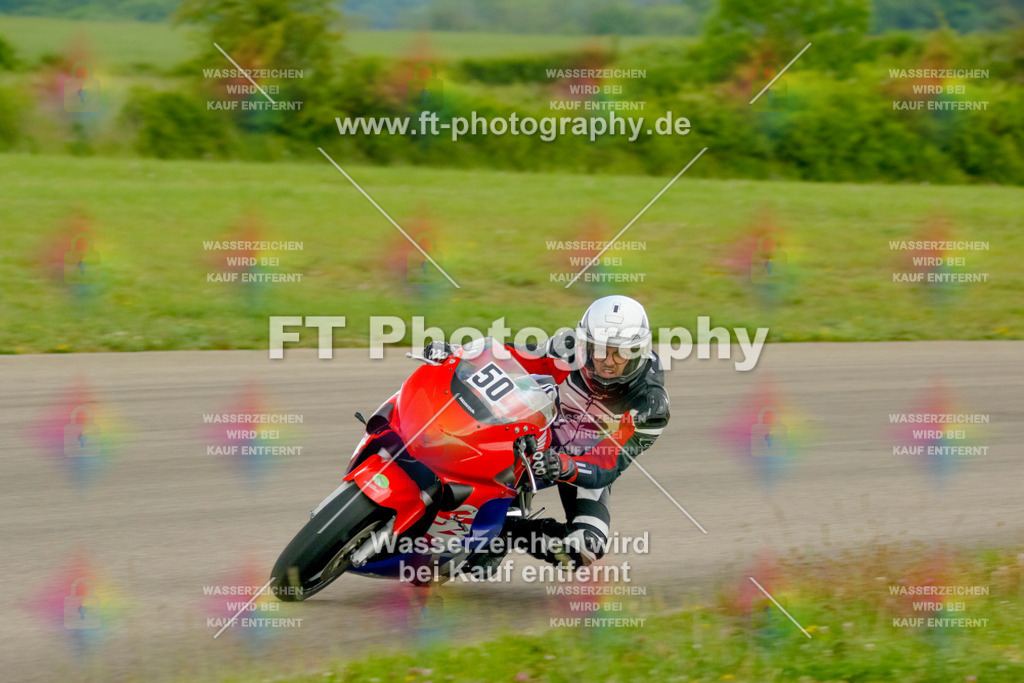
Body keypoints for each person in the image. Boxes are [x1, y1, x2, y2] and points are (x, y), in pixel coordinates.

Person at [424, 295, 670, 570]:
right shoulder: (566, 350)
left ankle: (508, 530)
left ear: (636, 353)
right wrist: (457, 353)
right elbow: (508, 357)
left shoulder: (649, 408)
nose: (607, 361)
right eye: (598, 349)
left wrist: (565, 465)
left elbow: (607, 465)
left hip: (582, 462)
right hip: (529, 435)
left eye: (620, 353)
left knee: (585, 548)